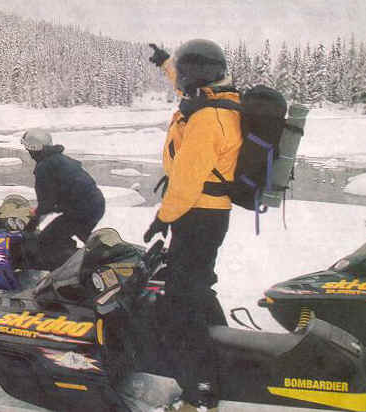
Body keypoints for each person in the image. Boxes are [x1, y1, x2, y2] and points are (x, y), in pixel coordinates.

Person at [144, 39, 242, 412]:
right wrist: (168, 63)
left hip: (198, 215)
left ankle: (200, 390)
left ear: (197, 76)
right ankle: (223, 353)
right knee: (195, 286)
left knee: (179, 305)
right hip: (207, 214)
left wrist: (162, 218)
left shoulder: (206, 119)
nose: (179, 81)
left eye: (183, 73)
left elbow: (186, 182)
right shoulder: (217, 99)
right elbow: (186, 82)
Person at [21, 128, 105, 271]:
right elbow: (64, 192)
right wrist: (52, 208)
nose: (28, 152)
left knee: (47, 241)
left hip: (81, 210)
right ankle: (103, 259)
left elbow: (46, 203)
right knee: (78, 235)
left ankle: (76, 271)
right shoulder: (59, 159)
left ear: (33, 148)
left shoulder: (44, 167)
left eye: (28, 149)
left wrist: (31, 225)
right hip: (94, 205)